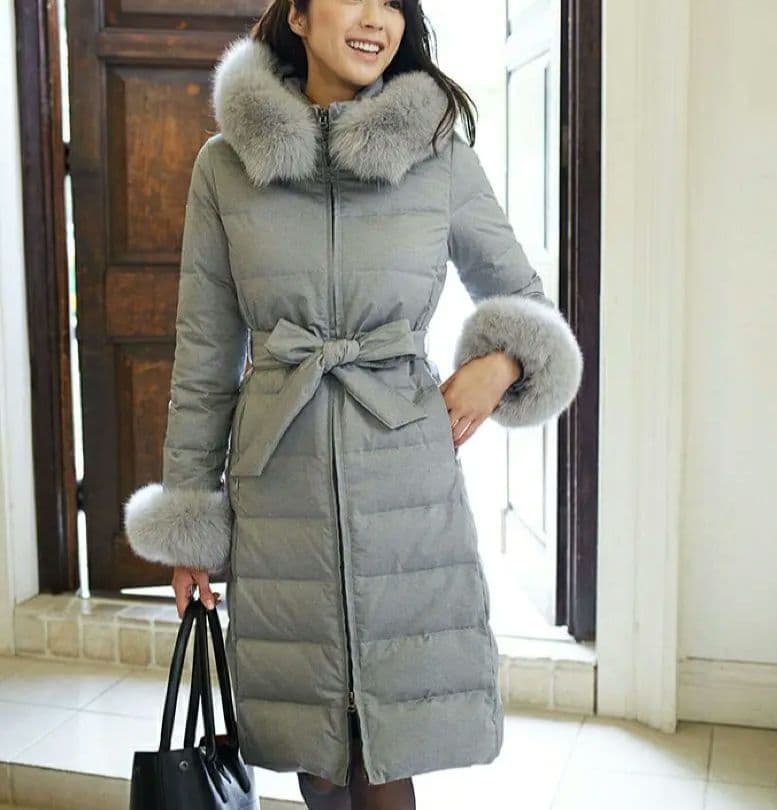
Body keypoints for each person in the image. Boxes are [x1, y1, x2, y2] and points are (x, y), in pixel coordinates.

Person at [123, 0, 584, 808]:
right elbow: (204, 355)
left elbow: (524, 297)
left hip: (404, 481)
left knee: (385, 751)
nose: (377, 19)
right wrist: (190, 520)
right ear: (299, 15)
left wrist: (502, 362)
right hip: (281, 484)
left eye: (393, 3)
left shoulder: (438, 156)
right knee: (318, 749)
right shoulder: (225, 167)